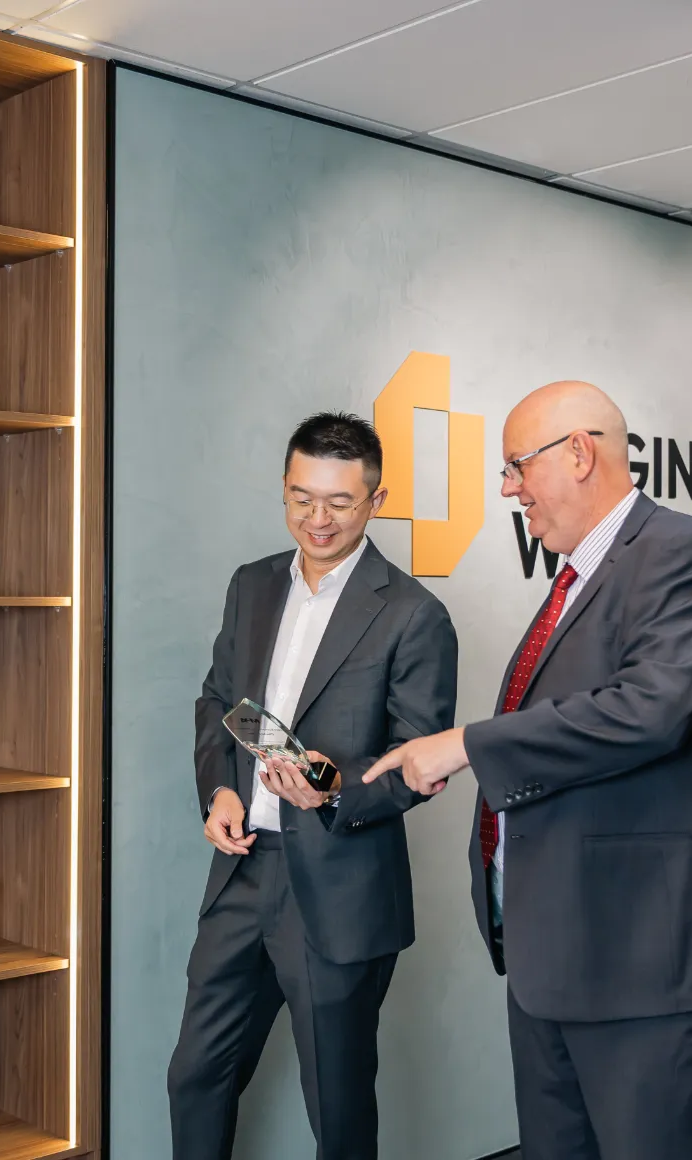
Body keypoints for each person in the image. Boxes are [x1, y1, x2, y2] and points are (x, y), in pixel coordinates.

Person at [363, 381, 692, 1160]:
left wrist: (465, 744)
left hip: (645, 961)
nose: (508, 489)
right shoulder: (576, 578)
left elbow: (648, 711)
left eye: (515, 466)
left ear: (578, 453)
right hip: (554, 956)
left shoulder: (680, 552)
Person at [168, 411, 459, 1160]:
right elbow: (219, 699)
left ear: (375, 499)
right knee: (195, 1076)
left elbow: (415, 762)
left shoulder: (412, 615)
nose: (316, 518)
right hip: (242, 869)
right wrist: (222, 792)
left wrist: (327, 787)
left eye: (337, 501)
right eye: (301, 498)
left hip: (339, 888)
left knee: (335, 1103)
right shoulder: (253, 585)